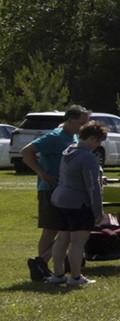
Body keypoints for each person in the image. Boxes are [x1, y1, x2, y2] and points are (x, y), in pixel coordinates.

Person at [19, 105, 88, 283]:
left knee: (64, 231)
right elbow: (26, 152)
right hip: (50, 189)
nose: (84, 126)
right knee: (51, 230)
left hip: (64, 190)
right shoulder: (55, 136)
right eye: (81, 123)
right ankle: (41, 266)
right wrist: (42, 173)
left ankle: (42, 264)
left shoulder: (72, 135)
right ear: (70, 120)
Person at [47, 121, 110, 288]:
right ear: (92, 137)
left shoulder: (68, 151)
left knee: (62, 239)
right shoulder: (87, 156)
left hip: (61, 199)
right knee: (77, 241)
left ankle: (58, 274)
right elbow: (93, 186)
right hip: (78, 202)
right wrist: (98, 210)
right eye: (98, 141)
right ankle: (75, 277)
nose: (99, 145)